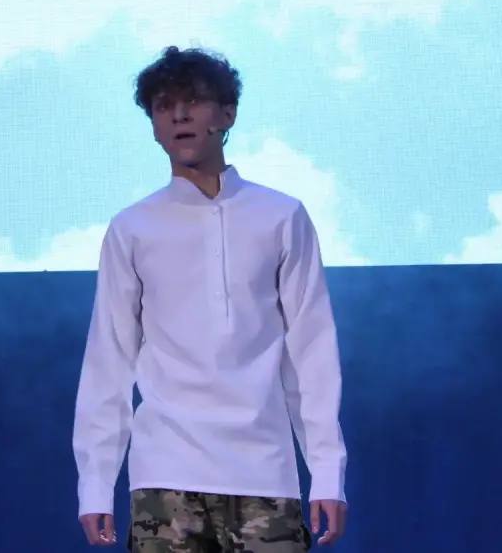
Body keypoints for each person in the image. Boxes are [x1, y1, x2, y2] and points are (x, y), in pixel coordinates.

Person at [73, 46, 348, 551]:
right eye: (163, 106)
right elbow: (108, 362)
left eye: (193, 101)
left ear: (227, 114)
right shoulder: (132, 228)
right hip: (165, 474)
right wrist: (95, 484)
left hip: (265, 472)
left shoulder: (281, 216)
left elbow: (312, 352)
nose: (179, 115)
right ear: (154, 127)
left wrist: (327, 472)